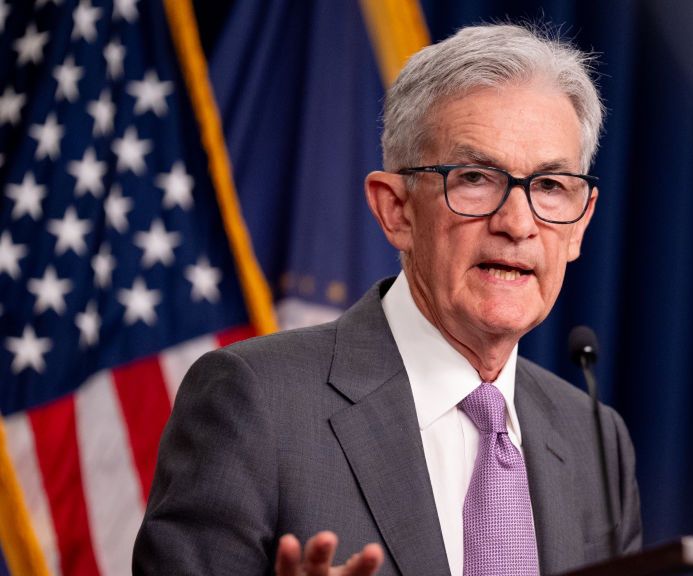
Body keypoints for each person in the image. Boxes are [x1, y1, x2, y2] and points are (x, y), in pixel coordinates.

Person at [133, 23, 642, 576]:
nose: (517, 223)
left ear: (578, 226)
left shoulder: (594, 439)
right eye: (475, 177)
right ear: (396, 209)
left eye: (549, 186)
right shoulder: (255, 401)